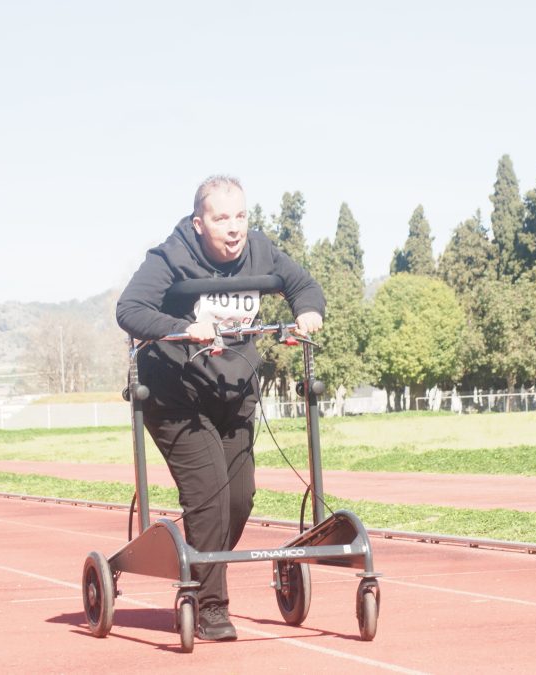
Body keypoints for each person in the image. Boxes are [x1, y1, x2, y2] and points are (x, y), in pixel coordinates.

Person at [115, 175, 325, 642]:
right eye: (221, 218)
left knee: (240, 499)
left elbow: (303, 286)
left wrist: (308, 311)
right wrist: (180, 326)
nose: (234, 228)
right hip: (174, 398)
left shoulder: (261, 250)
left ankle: (196, 568)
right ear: (198, 223)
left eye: (241, 216)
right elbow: (129, 309)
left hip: (233, 396)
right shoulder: (170, 256)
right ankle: (208, 605)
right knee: (208, 497)